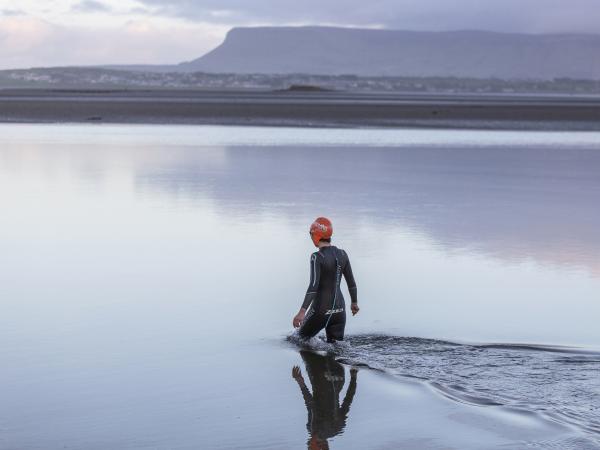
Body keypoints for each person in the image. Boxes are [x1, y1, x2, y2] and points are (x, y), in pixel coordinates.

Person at [292, 217, 359, 342]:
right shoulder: (343, 254)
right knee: (336, 349)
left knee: (297, 340)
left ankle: (315, 360)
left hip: (320, 309)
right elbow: (352, 283)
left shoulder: (317, 257)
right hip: (340, 310)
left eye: (311, 234)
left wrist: (302, 312)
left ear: (315, 235)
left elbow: (313, 286)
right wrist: (354, 303)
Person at [292, 351, 358, 450]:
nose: (308, 446)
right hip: (328, 378)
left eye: (309, 447)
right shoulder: (327, 428)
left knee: (311, 350)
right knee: (309, 350)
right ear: (321, 447)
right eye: (311, 448)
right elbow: (347, 401)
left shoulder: (313, 428)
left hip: (329, 378)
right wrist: (301, 382)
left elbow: (310, 405)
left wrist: (353, 377)